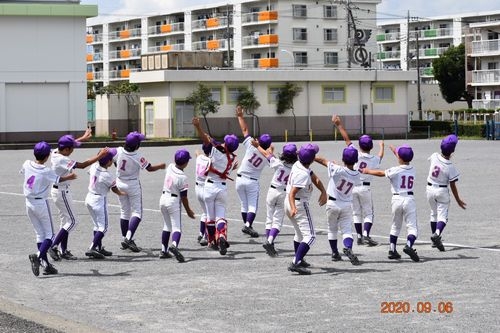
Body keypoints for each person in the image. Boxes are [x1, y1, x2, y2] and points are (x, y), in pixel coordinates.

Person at [49, 129, 109, 261]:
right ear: (66, 150)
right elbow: (82, 165)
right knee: (73, 221)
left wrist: (82, 138)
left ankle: (63, 251)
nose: (72, 151)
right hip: (62, 192)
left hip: (59, 191)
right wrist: (100, 156)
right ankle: (53, 246)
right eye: (71, 149)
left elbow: (70, 144)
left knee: (65, 221)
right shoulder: (62, 159)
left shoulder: (55, 151)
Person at [22, 141, 76, 276]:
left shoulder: (26, 163)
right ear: (46, 157)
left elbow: (24, 172)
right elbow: (58, 179)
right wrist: (69, 176)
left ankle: (46, 265)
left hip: (28, 203)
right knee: (50, 236)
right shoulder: (46, 171)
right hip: (41, 203)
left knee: (40, 234)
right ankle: (38, 255)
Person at [362, 145, 420, 262]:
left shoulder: (395, 170)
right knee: (412, 228)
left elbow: (381, 173)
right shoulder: (413, 169)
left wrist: (368, 171)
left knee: (395, 226)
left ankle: (392, 249)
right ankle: (408, 245)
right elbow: (404, 160)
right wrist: (395, 151)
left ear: (399, 157)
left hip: (396, 199)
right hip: (409, 199)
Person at [333, 115, 384, 246]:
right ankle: (366, 233)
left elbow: (346, 138)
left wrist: (339, 125)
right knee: (368, 213)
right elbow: (380, 156)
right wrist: (382, 147)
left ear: (359, 145)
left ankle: (360, 236)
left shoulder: (355, 152)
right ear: (371, 146)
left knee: (356, 212)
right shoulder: (373, 159)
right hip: (365, 188)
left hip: (352, 187)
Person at [192, 117, 239, 256]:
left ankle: (212, 241)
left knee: (210, 218)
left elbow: (206, 139)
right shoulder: (232, 159)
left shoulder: (216, 151)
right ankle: (222, 237)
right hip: (222, 188)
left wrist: (198, 127)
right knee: (220, 217)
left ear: (225, 143)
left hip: (209, 187)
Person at [115, 131, 166, 253]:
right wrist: (161, 166)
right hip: (132, 184)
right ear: (137, 146)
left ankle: (125, 238)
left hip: (120, 182)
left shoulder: (117, 151)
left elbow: (109, 155)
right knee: (137, 212)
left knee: (124, 212)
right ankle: (128, 238)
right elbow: (150, 168)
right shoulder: (138, 156)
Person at [315, 145, 361, 265]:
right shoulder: (357, 175)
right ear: (356, 161)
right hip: (346, 204)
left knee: (332, 229)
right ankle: (348, 248)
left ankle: (335, 253)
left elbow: (323, 161)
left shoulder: (336, 169)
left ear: (343, 159)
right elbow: (349, 173)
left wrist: (312, 157)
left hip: (332, 203)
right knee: (347, 230)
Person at [286, 144, 327, 275]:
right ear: (312, 159)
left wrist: (323, 191)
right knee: (311, 237)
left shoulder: (299, 164)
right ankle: (295, 263)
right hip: (298, 205)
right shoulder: (302, 174)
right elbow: (292, 193)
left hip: (290, 203)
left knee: (299, 234)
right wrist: (293, 208)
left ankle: (299, 259)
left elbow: (314, 177)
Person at [251, 141, 298, 257]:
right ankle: (270, 241)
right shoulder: (296, 168)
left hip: (272, 191)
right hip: (283, 194)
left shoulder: (278, 163)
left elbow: (266, 154)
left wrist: (258, 146)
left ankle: (269, 243)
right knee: (277, 221)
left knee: (269, 218)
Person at [235, 105, 272, 238]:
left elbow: (244, 130)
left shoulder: (251, 145)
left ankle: (247, 226)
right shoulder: (267, 156)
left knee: (244, 204)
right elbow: (272, 159)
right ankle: (248, 225)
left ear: (258, 140)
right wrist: (270, 151)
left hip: (239, 178)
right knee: (252, 206)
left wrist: (240, 116)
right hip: (252, 181)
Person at [426, 134, 466, 251]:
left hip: (429, 189)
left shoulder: (434, 156)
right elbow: (453, 185)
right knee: (443, 217)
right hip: (442, 191)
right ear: (452, 152)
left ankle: (434, 239)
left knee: (433, 214)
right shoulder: (450, 166)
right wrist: (458, 200)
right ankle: (437, 234)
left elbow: (436, 159)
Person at [84, 148, 125, 259]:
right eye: (111, 159)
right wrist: (121, 194)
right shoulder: (107, 175)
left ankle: (98, 248)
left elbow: (91, 173)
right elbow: (114, 188)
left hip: (89, 197)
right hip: (99, 200)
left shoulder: (94, 166)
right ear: (108, 162)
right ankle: (92, 248)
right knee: (103, 227)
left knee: (96, 225)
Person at [159, 149, 196, 262]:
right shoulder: (182, 177)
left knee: (167, 226)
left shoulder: (170, 167)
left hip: (163, 198)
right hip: (173, 201)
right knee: (177, 228)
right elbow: (184, 197)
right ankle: (174, 245)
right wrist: (188, 210)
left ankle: (164, 250)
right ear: (185, 163)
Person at [194, 143, 212, 246]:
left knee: (204, 212)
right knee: (208, 214)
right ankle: (205, 236)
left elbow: (197, 152)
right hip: (206, 188)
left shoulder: (199, 158)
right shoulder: (211, 161)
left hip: (197, 188)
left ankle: (201, 233)